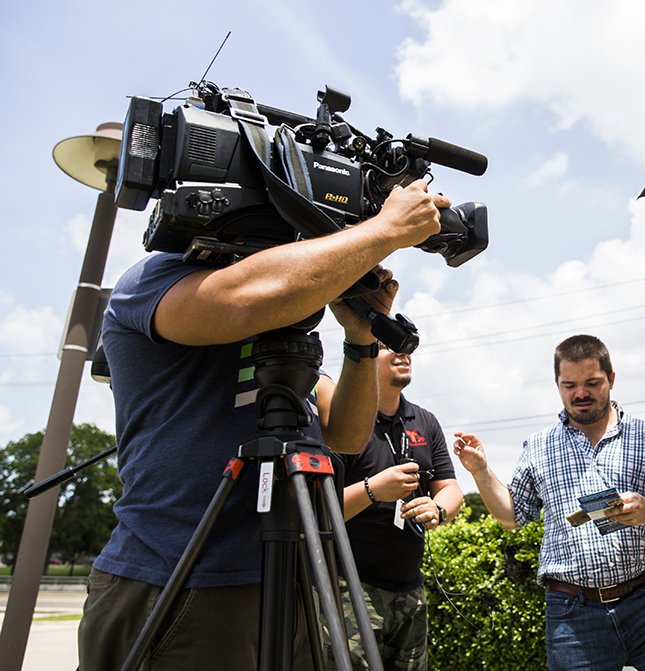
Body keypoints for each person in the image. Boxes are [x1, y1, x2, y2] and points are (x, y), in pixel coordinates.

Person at [77, 180, 451, 671]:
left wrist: (359, 338)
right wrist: (384, 229)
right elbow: (244, 301)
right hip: (179, 576)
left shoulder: (288, 325)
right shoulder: (154, 279)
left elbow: (345, 436)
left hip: (291, 580)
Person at [453, 334, 645, 671]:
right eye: (570, 385)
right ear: (557, 385)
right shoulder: (539, 446)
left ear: (611, 379)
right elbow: (513, 516)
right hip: (572, 611)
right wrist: (481, 472)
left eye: (592, 383)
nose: (580, 393)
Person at [332, 342, 463, 670]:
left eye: (407, 345)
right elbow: (321, 511)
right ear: (364, 357)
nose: (403, 353)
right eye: (390, 345)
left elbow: (450, 488)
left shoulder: (424, 421)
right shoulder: (342, 421)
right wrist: (373, 490)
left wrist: (438, 510)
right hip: (350, 586)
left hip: (411, 589)